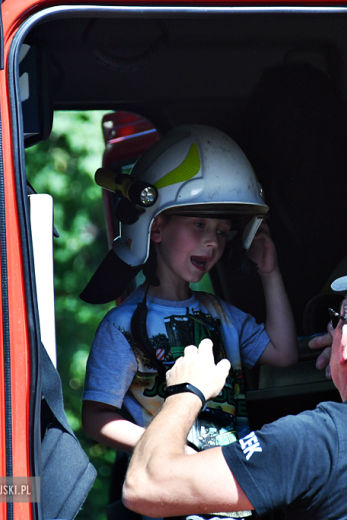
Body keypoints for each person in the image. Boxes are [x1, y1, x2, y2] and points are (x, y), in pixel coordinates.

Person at [122, 260, 347, 520]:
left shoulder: (316, 441)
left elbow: (146, 485)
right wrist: (344, 361)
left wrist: (186, 391)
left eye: (336, 323)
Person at [80, 125, 297, 460]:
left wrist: (270, 273)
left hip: (230, 492)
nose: (213, 241)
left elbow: (283, 354)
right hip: (170, 492)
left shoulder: (221, 314)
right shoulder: (121, 326)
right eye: (199, 225)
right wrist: (171, 448)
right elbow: (97, 419)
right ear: (155, 228)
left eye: (223, 232)